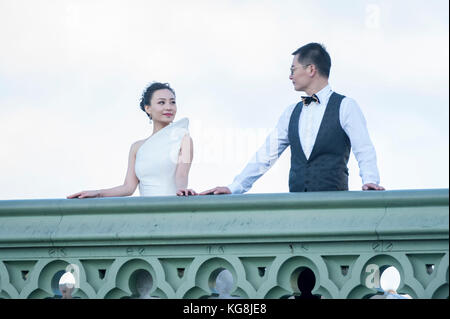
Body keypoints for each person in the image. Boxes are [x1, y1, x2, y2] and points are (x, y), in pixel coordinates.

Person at [201, 43, 384, 195]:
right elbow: (266, 155)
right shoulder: (291, 113)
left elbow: (364, 149)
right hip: (296, 208)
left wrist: (370, 182)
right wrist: (234, 188)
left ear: (311, 69)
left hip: (334, 207)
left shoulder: (346, 106)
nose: (290, 76)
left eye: (293, 69)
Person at [67, 82, 196, 199]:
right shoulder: (137, 147)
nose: (169, 107)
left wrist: (182, 190)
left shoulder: (184, 140)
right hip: (146, 212)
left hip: (171, 208)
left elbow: (182, 175)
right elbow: (128, 188)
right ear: (148, 108)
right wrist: (97, 193)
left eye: (172, 102)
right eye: (161, 102)